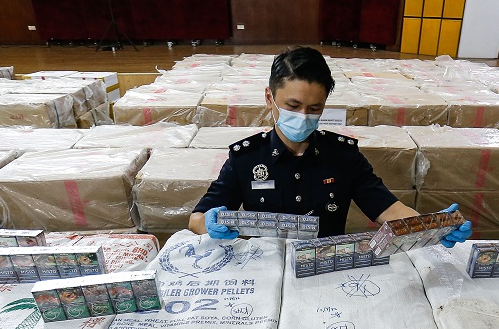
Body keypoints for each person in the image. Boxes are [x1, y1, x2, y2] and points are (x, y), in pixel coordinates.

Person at [188, 46, 472, 247]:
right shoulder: (247, 158)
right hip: (267, 268)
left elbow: (388, 209)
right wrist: (209, 223)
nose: (303, 116)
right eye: (293, 106)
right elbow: (198, 218)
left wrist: (433, 225)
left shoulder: (342, 156)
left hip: (327, 267)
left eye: (314, 108)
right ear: (269, 98)